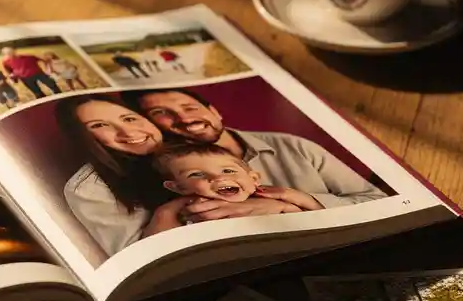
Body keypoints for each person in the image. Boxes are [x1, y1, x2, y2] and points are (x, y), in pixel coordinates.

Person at [125, 87, 387, 228]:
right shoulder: (159, 174)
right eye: (163, 113)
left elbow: (378, 201)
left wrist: (295, 203)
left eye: (190, 107)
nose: (184, 118)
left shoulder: (293, 146)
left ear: (215, 112)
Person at [58, 95, 184, 257]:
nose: (127, 131)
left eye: (130, 119)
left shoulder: (195, 146)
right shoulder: (89, 187)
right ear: (83, 137)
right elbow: (135, 258)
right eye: (99, 125)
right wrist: (167, 212)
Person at [152, 143, 322, 223]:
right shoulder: (183, 211)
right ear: (178, 187)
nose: (218, 178)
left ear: (254, 179)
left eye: (228, 171)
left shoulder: (282, 199)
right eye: (197, 174)